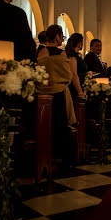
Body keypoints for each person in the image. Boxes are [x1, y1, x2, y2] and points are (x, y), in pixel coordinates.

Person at [37, 25, 75, 173]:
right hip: (58, 95)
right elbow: (67, 76)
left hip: (40, 95)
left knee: (43, 128)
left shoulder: (39, 52)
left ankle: (43, 158)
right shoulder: (61, 53)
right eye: (62, 36)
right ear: (58, 36)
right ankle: (64, 162)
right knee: (60, 127)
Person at [65, 33, 87, 99]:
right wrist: (80, 92)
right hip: (75, 87)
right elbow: (74, 74)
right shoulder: (72, 56)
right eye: (82, 42)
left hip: (80, 84)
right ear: (79, 43)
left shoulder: (77, 55)